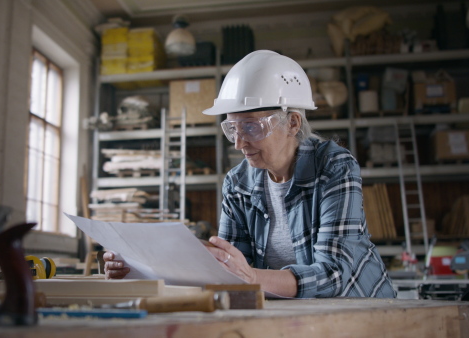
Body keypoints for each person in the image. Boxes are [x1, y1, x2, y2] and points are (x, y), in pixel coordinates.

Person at [103, 50, 396, 299]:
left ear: (293, 123)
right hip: (295, 314)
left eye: (252, 127)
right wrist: (142, 268)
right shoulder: (237, 183)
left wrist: (250, 276)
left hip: (363, 310)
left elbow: (333, 275)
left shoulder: (334, 167)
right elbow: (228, 271)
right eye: (233, 129)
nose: (239, 144)